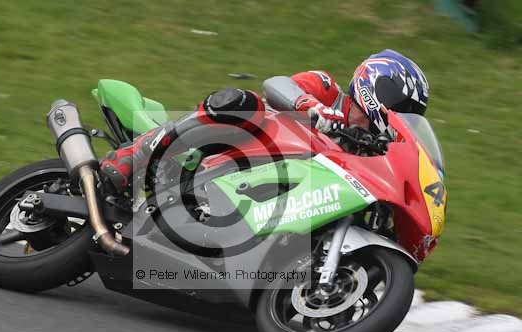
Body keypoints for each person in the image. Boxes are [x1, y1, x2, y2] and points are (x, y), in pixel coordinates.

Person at [100, 49, 429, 192]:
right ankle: (133, 155)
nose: (402, 116)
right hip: (235, 146)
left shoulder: (370, 149)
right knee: (243, 102)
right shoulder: (327, 88)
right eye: (402, 107)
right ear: (379, 87)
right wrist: (311, 108)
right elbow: (277, 85)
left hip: (268, 189)